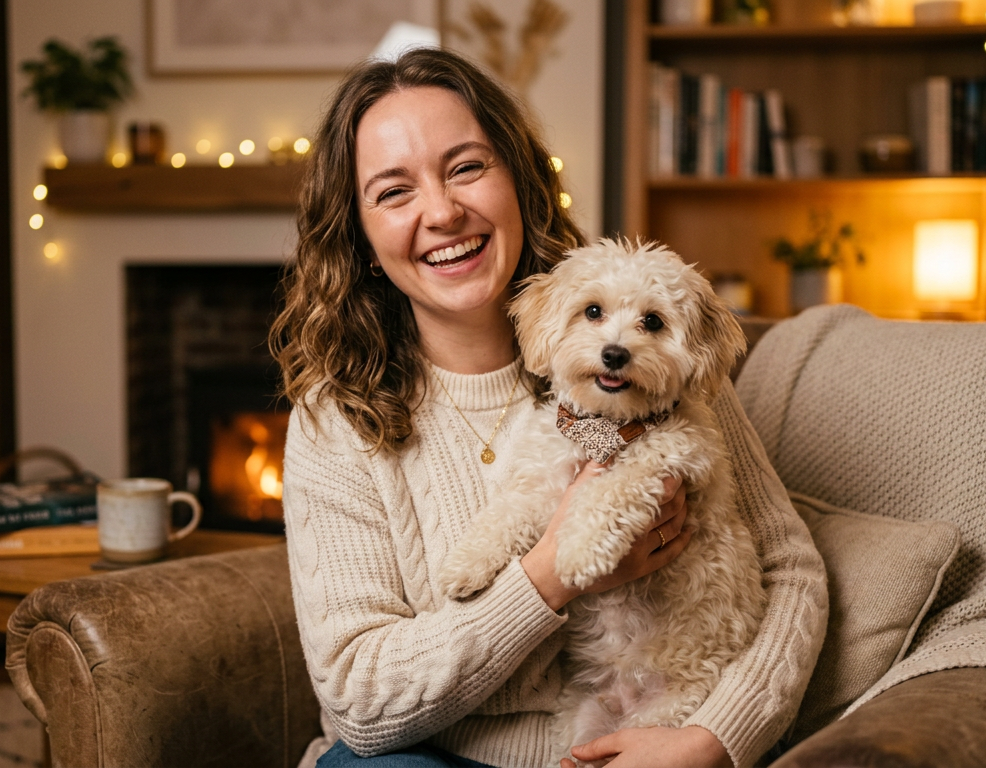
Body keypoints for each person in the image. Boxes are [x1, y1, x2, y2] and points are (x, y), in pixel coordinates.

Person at [269, 47, 827, 768]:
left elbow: (791, 572)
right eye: (394, 192)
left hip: (646, 736)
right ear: (364, 239)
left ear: (520, 183)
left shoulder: (657, 370)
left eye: (467, 167)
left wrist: (713, 737)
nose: (442, 212)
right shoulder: (333, 419)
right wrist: (549, 575)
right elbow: (358, 703)